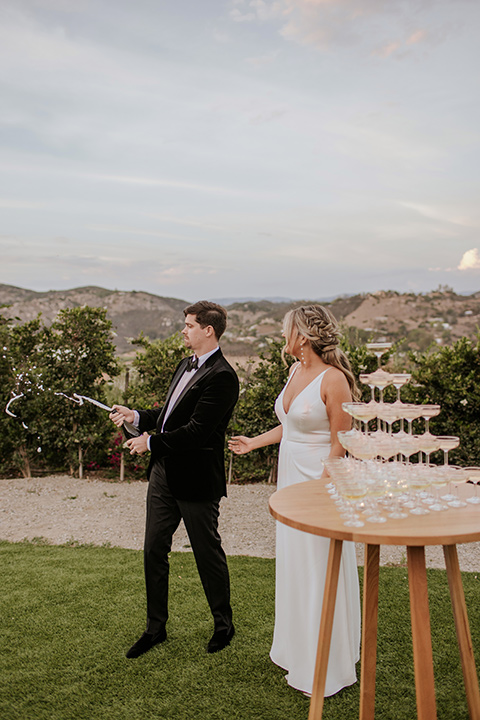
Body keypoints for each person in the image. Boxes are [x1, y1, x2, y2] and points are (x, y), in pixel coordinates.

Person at [228, 305, 361, 697]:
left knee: (320, 568)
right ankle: (298, 650)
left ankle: (327, 667)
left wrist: (320, 487)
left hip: (319, 482)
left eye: (286, 330)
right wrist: (254, 442)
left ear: (301, 337)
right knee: (296, 566)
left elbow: (342, 442)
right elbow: (290, 425)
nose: (281, 336)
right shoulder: (294, 372)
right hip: (290, 478)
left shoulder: (334, 379)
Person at [110, 301, 239, 658]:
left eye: (189, 325)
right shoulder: (185, 365)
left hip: (197, 479)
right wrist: (136, 415)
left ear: (208, 330)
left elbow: (197, 432)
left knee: (206, 553)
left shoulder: (223, 377)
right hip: (164, 475)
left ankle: (224, 626)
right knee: (153, 549)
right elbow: (167, 416)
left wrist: (149, 441)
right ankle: (155, 628)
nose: (183, 330)